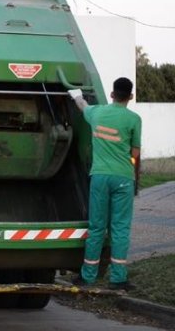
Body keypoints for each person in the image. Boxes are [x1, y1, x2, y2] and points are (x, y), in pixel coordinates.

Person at [68, 77, 142, 291]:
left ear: (111, 94)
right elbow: (135, 153)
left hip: (100, 177)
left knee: (97, 227)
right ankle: (118, 278)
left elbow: (83, 106)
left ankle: (88, 277)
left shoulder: (97, 113)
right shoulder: (134, 119)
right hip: (123, 178)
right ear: (131, 96)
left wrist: (77, 96)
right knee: (119, 228)